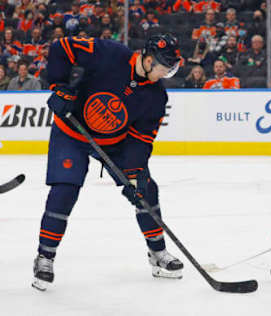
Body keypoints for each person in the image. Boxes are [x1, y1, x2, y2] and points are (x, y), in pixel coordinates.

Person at [32, 34, 184, 291]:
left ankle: (157, 254)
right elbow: (62, 47)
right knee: (65, 190)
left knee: (146, 189)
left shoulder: (156, 98)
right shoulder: (109, 53)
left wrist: (135, 175)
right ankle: (45, 257)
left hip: (114, 143)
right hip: (71, 131)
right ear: (148, 60)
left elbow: (141, 140)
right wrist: (58, 86)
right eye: (162, 69)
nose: (164, 75)